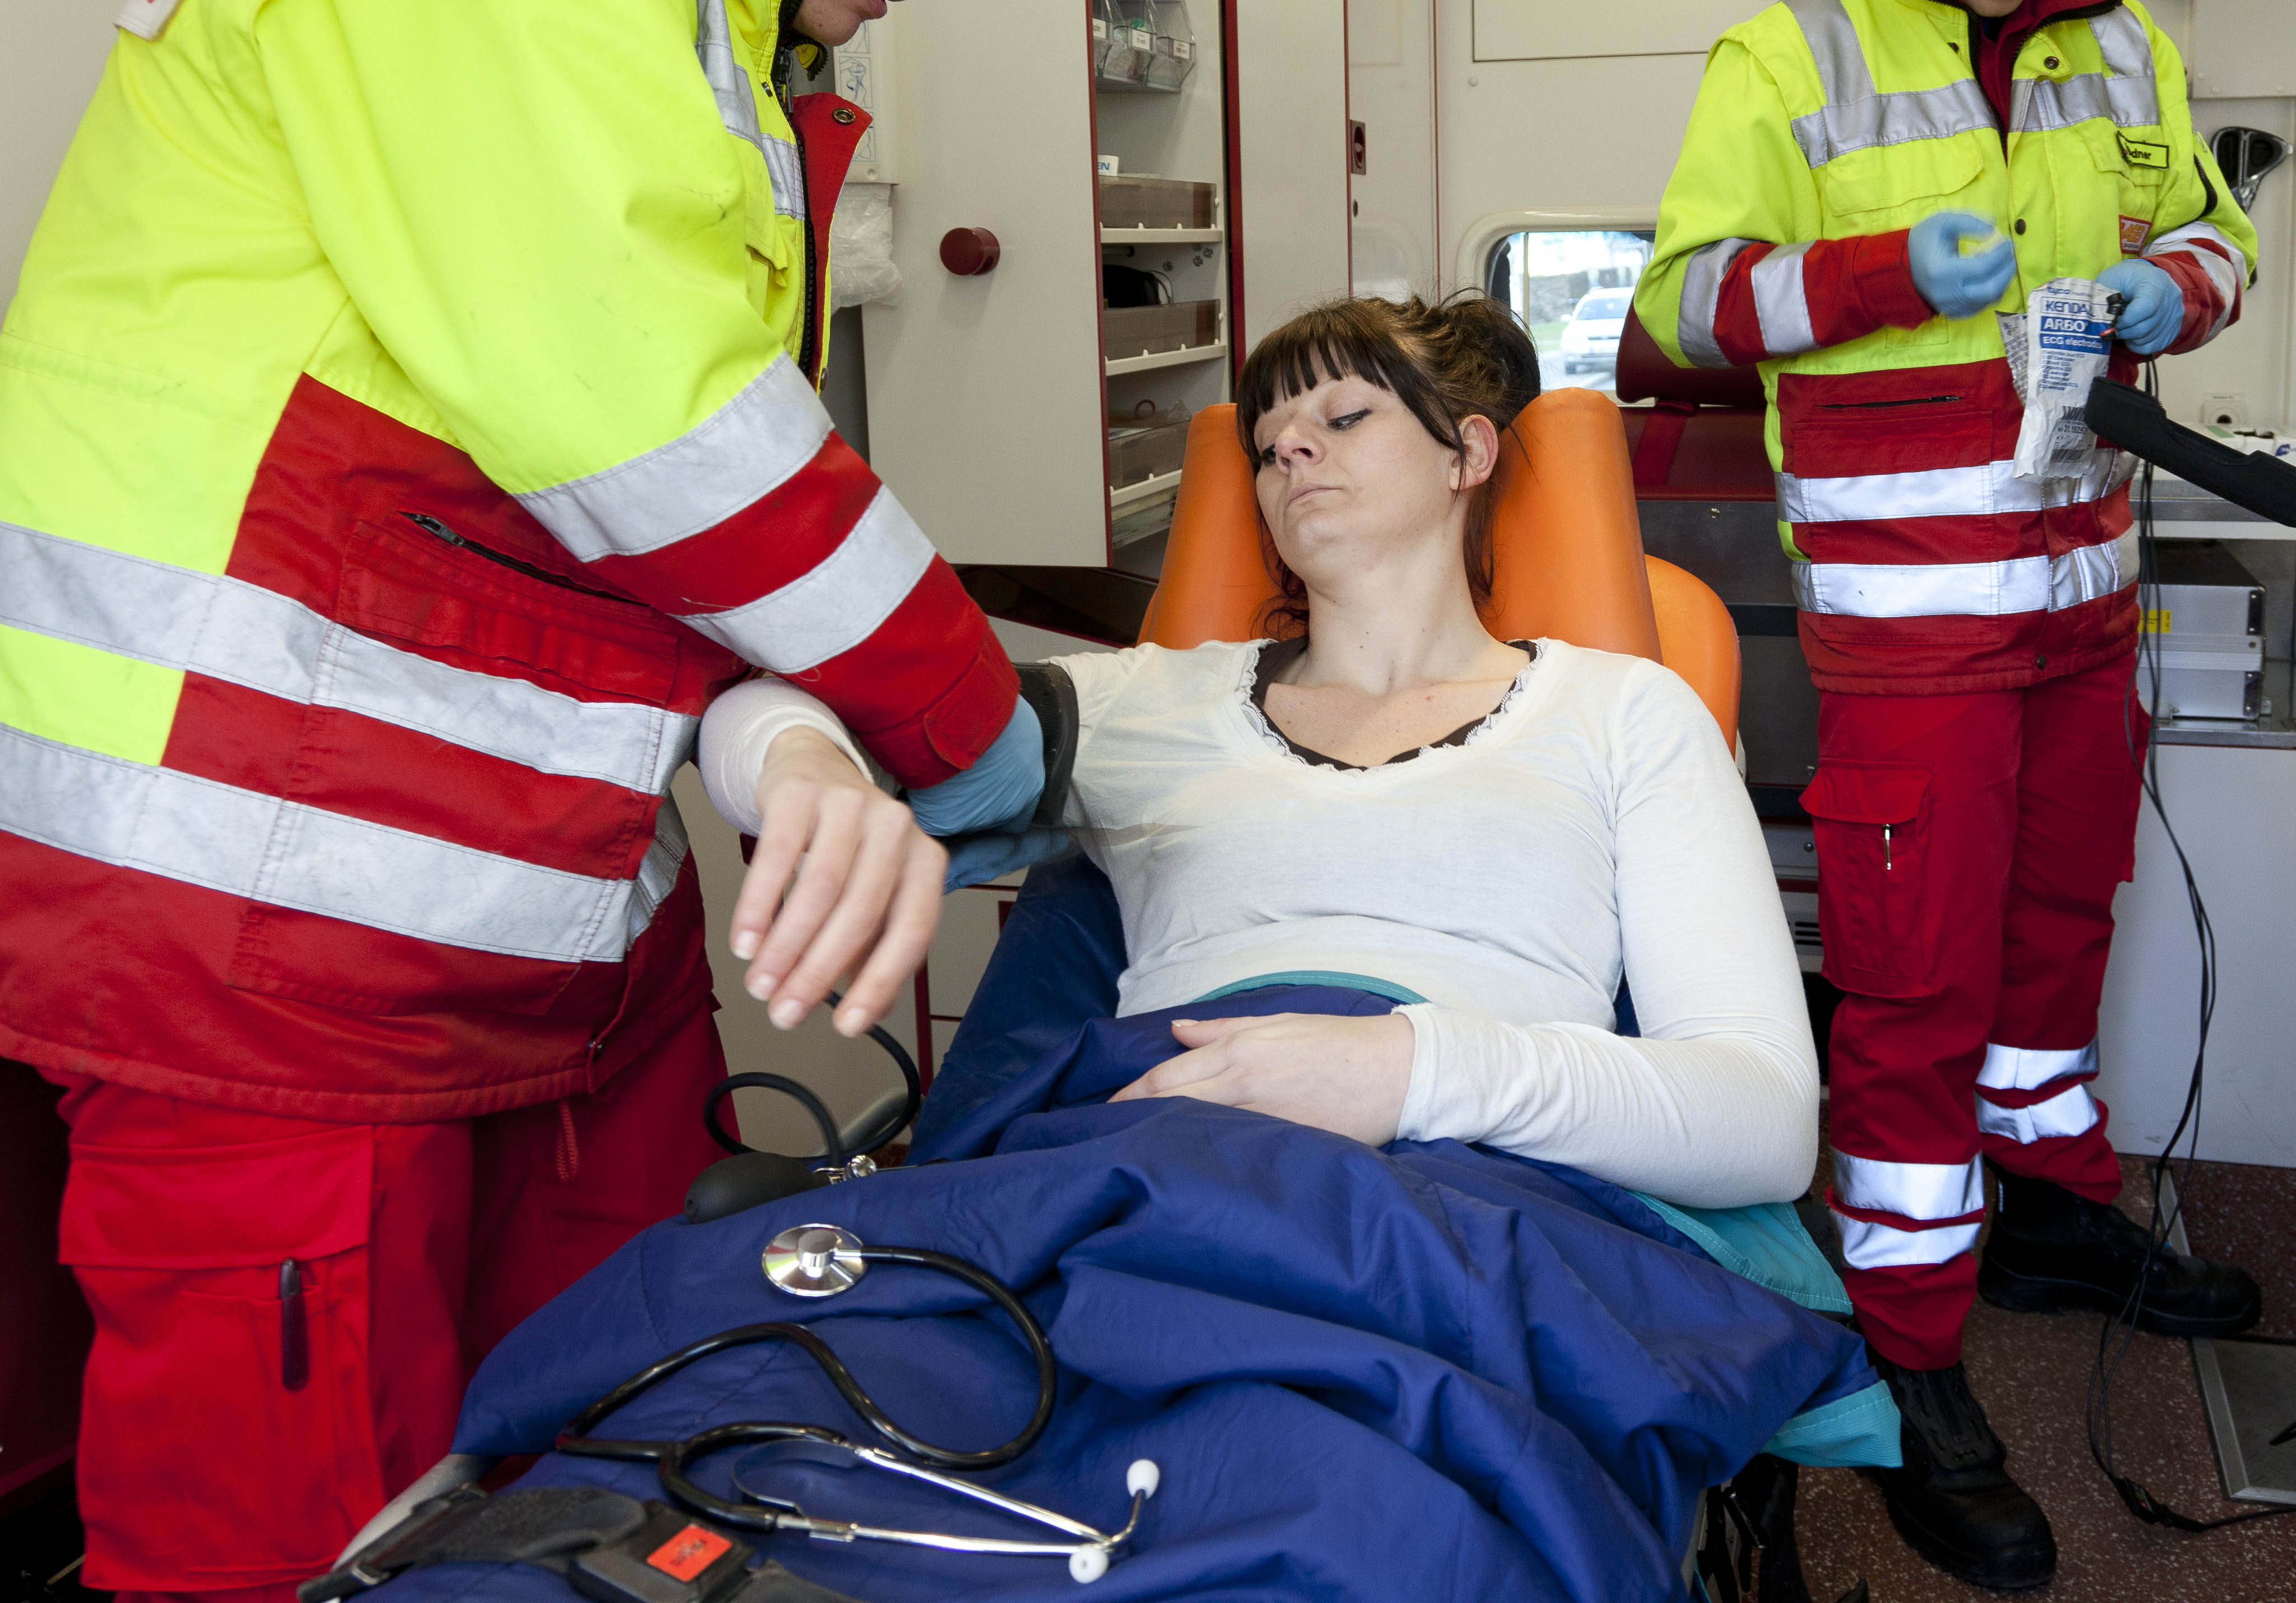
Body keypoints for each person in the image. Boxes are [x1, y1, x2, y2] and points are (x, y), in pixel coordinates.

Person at [0, 0, 1070, 1603]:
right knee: (307, 1543)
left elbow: (598, 515)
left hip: (514, 900)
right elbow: (647, 418)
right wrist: (967, 726)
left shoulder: (714, 48)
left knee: (628, 1442)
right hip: (253, 911)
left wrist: (784, 727)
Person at [1634, 0, 2267, 1590]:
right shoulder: (1784, 54)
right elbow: (1678, 306)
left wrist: (2171, 287)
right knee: (1911, 991)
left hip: (2080, 616)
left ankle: (2046, 1203)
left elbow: (2219, 230)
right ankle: (1908, 1356)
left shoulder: (2115, 33)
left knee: (2058, 939)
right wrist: (1878, 273)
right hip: (1912, 638)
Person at [700, 294, 1821, 1212]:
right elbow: (757, 709)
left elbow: (1765, 1124)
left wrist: (1405, 1069)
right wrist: (807, 761)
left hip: (1470, 1204)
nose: (1291, 445)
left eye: (1343, 417)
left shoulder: (1627, 711)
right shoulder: (1143, 705)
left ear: (1466, 454)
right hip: (1141, 1180)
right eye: (1270, 439)